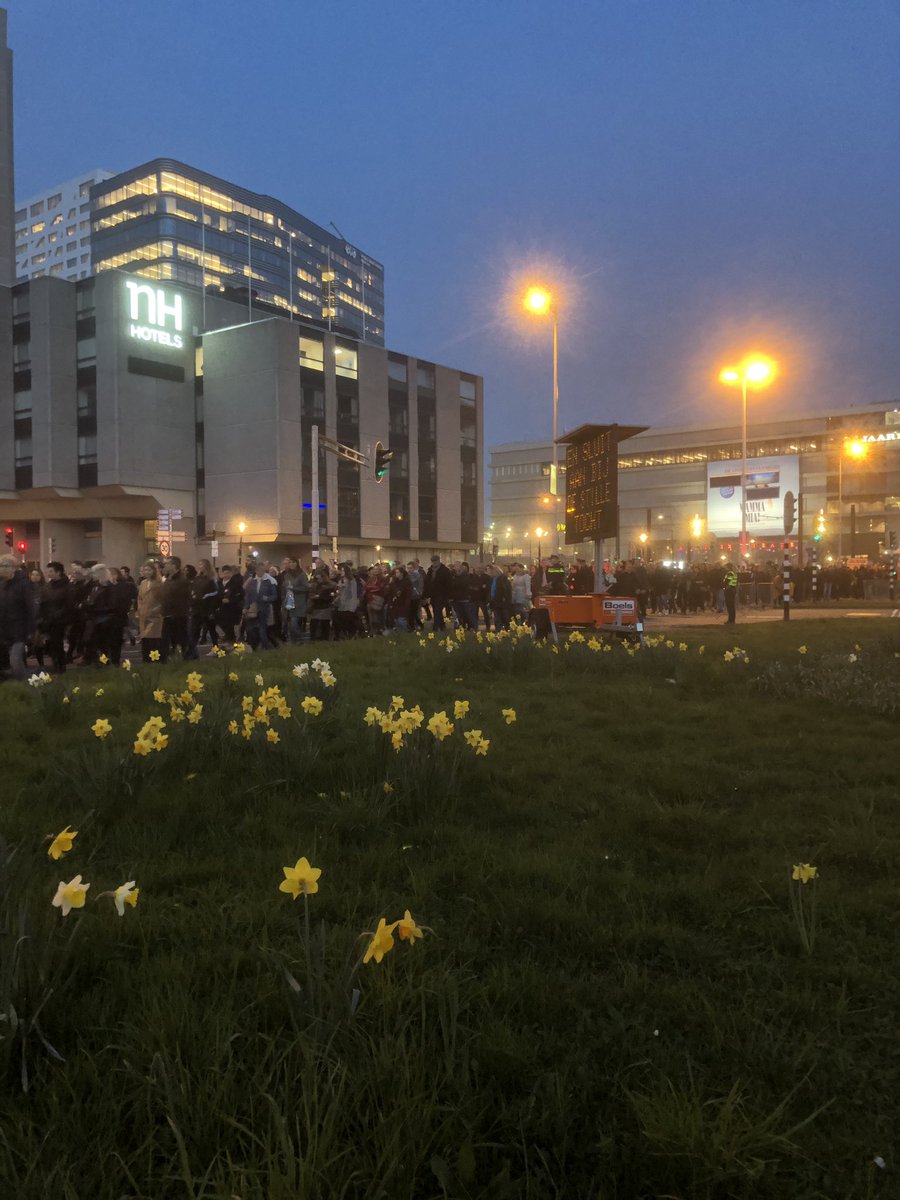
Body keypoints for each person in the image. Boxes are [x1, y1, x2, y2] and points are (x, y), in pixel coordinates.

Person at [0, 553, 33, 681]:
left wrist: (30, 630)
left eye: (4, 566)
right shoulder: (3, 585)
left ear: (13, 568)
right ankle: (23, 683)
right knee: (14, 661)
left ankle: (25, 683)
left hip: (19, 629)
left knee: (15, 660)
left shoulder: (23, 584)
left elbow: (30, 608)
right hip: (5, 629)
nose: (1, 569)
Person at [39, 562, 72, 674]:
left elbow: (68, 605)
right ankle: (55, 663)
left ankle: (60, 665)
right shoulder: (47, 587)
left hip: (60, 620)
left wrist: (57, 614)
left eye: (51, 571)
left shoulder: (67, 587)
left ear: (58, 572)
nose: (48, 574)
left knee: (57, 643)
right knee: (51, 644)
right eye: (48, 571)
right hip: (48, 620)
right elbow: (43, 602)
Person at [160, 556, 194, 661]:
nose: (165, 566)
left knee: (181, 639)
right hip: (167, 615)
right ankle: (170, 659)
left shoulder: (182, 580)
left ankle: (187, 658)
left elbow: (185, 599)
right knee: (167, 640)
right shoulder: (168, 579)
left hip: (178, 616)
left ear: (173, 565)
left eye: (167, 564)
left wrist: (176, 611)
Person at [242, 559, 277, 650]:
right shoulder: (252, 582)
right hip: (253, 609)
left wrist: (267, 598)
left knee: (262, 629)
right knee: (252, 629)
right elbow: (248, 596)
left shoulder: (269, 582)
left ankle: (267, 648)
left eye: (261, 570)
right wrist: (245, 607)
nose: (259, 572)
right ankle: (258, 647)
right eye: (258, 570)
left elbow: (274, 596)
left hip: (264, 609)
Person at [137, 560, 165, 662]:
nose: (147, 572)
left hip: (155, 616)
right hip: (144, 615)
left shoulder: (158, 583)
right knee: (145, 639)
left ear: (154, 571)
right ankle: (146, 660)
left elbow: (162, 600)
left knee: (154, 639)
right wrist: (140, 609)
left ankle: (156, 660)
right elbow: (139, 598)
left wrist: (155, 610)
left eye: (149, 570)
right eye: (145, 570)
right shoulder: (143, 583)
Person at [280, 556, 309, 642]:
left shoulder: (301, 574)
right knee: (289, 625)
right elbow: (284, 587)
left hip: (298, 602)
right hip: (289, 601)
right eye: (290, 562)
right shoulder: (287, 575)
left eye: (293, 562)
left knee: (294, 623)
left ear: (297, 563)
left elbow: (306, 588)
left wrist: (294, 588)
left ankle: (300, 640)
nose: (292, 564)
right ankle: (294, 642)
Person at [308, 565, 337, 641]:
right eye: (317, 578)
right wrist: (313, 597)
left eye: (320, 578)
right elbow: (310, 593)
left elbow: (332, 596)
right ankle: (314, 639)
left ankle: (324, 639)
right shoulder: (314, 585)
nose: (318, 580)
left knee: (324, 624)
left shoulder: (331, 585)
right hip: (316, 607)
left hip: (325, 607)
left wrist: (321, 596)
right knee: (314, 624)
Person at [424, 555, 453, 631]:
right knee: (436, 611)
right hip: (433, 594)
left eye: (435, 561)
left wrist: (449, 595)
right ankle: (442, 626)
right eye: (433, 561)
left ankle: (435, 627)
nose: (434, 562)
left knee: (437, 610)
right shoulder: (430, 570)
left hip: (442, 594)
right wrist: (426, 595)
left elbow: (449, 583)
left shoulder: (445, 570)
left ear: (439, 561)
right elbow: (427, 583)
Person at [334, 563, 361, 638]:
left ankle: (352, 634)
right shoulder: (340, 581)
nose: (342, 572)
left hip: (349, 604)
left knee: (348, 620)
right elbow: (339, 593)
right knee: (341, 621)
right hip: (341, 604)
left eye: (343, 571)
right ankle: (344, 635)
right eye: (341, 570)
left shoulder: (351, 581)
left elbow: (353, 593)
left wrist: (353, 605)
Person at [218, 565, 244, 642]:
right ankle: (229, 636)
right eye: (224, 573)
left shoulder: (235, 583)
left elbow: (241, 595)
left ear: (231, 573)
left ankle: (231, 639)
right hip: (221, 607)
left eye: (228, 573)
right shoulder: (219, 583)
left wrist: (230, 600)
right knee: (221, 623)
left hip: (232, 607)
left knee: (230, 624)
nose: (226, 575)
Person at [385, 565, 413, 632]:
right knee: (396, 620)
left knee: (401, 620)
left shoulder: (407, 581)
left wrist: (407, 604)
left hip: (403, 603)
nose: (396, 574)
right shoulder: (394, 582)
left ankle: (405, 633)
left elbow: (408, 594)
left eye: (397, 572)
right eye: (395, 572)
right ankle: (400, 634)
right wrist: (390, 583)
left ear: (402, 573)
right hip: (395, 603)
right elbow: (389, 592)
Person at [364, 566, 387, 636]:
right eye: (374, 569)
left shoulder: (383, 579)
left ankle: (379, 631)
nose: (375, 571)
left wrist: (371, 588)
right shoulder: (371, 579)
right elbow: (366, 588)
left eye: (377, 569)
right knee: (371, 618)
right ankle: (373, 631)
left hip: (378, 600)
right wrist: (372, 588)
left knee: (378, 617)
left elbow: (380, 589)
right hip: (370, 600)